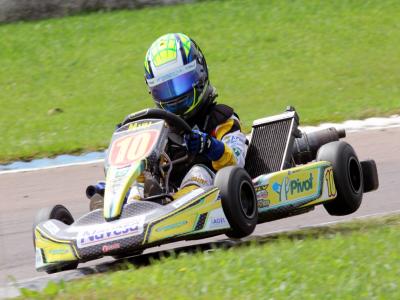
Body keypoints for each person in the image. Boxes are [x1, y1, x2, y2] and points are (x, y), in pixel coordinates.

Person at [139, 32, 248, 196]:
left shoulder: (221, 119)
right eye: (165, 89)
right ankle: (130, 207)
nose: (175, 97)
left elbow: (236, 161)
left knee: (198, 172)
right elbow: (148, 176)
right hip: (167, 194)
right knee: (139, 187)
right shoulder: (161, 130)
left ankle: (177, 205)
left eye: (180, 83)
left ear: (200, 74)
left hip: (217, 192)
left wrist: (209, 145)